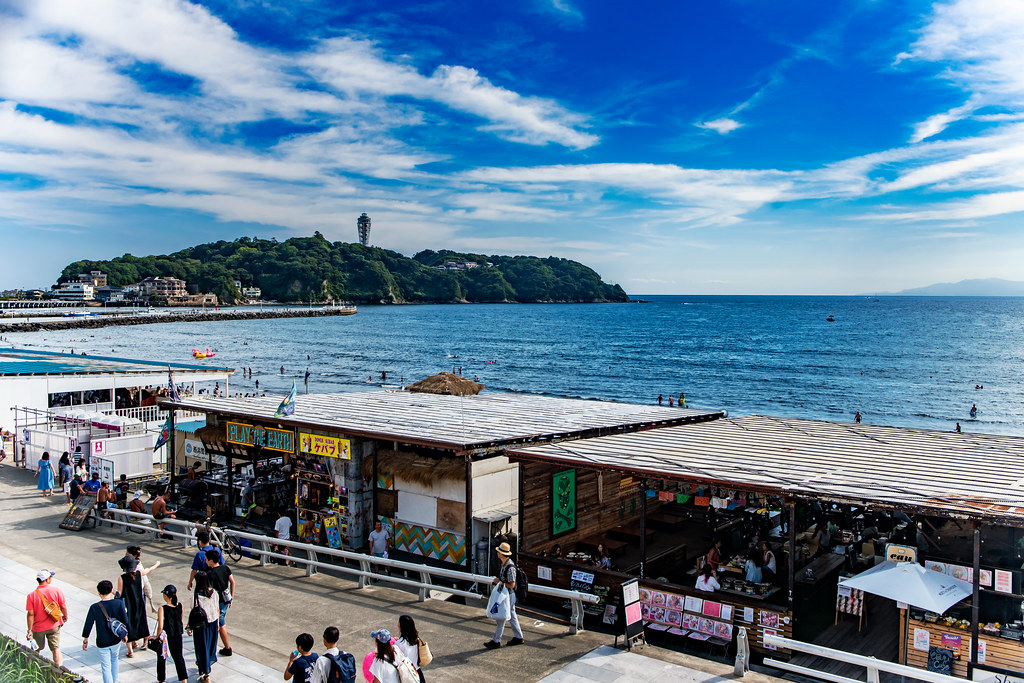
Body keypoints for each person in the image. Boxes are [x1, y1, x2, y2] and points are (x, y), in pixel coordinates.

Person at [83, 580, 129, 683]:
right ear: (111, 590)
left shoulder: (94, 607)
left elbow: (88, 624)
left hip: (102, 641)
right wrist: (124, 635)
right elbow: (125, 621)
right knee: (114, 660)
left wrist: (85, 639)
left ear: (99, 593)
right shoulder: (119, 603)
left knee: (105, 666)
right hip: (116, 639)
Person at [484, 542, 523, 649]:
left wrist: (499, 582)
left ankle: (496, 640)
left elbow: (512, 584)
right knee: (511, 615)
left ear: (501, 553)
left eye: (498, 551)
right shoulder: (506, 564)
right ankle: (518, 636)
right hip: (508, 595)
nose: (497, 553)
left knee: (502, 617)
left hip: (507, 595)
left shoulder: (509, 567)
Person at [117, 555, 157, 655]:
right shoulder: (139, 574)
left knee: (129, 624)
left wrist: (111, 593)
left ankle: (130, 650)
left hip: (128, 604)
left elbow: (119, 593)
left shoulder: (122, 578)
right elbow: (148, 570)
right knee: (142, 621)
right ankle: (145, 642)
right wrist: (156, 564)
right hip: (140, 603)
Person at [26, 569, 67, 667]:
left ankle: (35, 669)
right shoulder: (56, 590)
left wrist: (30, 630)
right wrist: (65, 617)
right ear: (47, 580)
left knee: (37, 650)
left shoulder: (31, 595)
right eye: (50, 577)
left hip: (38, 628)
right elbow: (63, 606)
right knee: (55, 649)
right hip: (54, 626)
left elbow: (30, 614)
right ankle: (59, 670)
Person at [150, 585, 187, 683]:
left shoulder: (162, 608)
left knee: (162, 657)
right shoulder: (180, 605)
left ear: (166, 595)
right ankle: (184, 680)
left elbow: (160, 626)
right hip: (177, 634)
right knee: (178, 657)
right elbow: (180, 619)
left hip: (166, 636)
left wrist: (156, 637)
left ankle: (161, 680)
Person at [189, 571, 219, 683]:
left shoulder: (196, 597)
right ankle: (206, 664)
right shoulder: (214, 593)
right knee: (210, 646)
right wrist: (218, 625)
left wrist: (189, 626)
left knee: (201, 648)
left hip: (201, 626)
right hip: (213, 623)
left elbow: (193, 611)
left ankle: (206, 673)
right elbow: (217, 609)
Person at [204, 549, 235, 657]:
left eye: (206, 559)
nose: (205, 561)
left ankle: (227, 648)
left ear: (211, 560)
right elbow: (232, 581)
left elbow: (210, 590)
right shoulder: (225, 568)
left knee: (221, 625)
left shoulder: (209, 574)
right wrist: (231, 597)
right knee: (221, 622)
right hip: (226, 600)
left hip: (217, 603)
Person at [126, 546, 157, 613]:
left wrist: (156, 565)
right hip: (134, 590)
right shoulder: (134, 564)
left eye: (127, 554)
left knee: (138, 611)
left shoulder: (136, 566)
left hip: (137, 591)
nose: (126, 556)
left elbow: (145, 573)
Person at [395, 615, 425, 683]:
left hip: (408, 675)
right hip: (418, 673)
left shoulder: (399, 643)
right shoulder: (415, 639)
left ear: (401, 626)